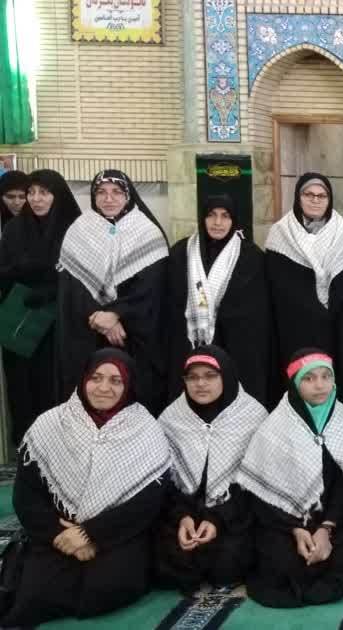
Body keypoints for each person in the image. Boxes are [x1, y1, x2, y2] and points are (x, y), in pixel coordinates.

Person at [0, 349, 171, 626]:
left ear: (129, 385)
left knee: (108, 586)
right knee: (37, 594)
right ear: (83, 380)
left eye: (116, 380)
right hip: (58, 531)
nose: (104, 388)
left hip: (117, 534)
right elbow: (26, 495)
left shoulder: (146, 429)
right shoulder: (50, 423)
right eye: (96, 378)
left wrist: (91, 533)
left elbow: (147, 504)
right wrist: (59, 534)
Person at [236, 349, 343, 607]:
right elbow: (262, 491)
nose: (319, 385)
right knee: (281, 564)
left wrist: (325, 529)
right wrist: (296, 529)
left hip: (335, 519)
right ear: (295, 383)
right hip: (284, 522)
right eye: (309, 378)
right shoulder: (274, 428)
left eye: (326, 376)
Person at [56, 170, 170, 415]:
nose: (109, 199)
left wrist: (116, 314)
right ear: (93, 196)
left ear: (128, 196)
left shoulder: (147, 232)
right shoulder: (78, 230)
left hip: (132, 335)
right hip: (89, 333)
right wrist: (99, 319)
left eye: (116, 192)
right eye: (101, 192)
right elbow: (71, 288)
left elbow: (152, 287)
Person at [153, 345, 265, 592]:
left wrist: (216, 519)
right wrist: (183, 517)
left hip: (235, 513)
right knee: (168, 562)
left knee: (226, 566)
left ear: (226, 376)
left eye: (210, 376)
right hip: (185, 510)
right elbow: (163, 480)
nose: (200, 384)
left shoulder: (252, 416)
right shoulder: (172, 418)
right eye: (192, 377)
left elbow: (256, 483)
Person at [266, 174, 343, 418]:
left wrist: (331, 310)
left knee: (341, 390)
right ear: (298, 197)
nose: (315, 200)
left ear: (329, 199)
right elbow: (278, 288)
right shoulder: (280, 235)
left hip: (338, 329)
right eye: (308, 194)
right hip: (296, 331)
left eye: (322, 196)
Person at [0, 169, 81, 444]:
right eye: (31, 192)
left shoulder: (75, 230)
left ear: (57, 196)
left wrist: (52, 290)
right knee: (22, 389)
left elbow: (84, 280)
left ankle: (59, 445)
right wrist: (19, 272)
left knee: (55, 386)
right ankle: (26, 448)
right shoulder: (14, 229)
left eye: (43, 193)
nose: (35, 199)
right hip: (21, 323)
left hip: (61, 325)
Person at [166, 194, 271, 403]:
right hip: (189, 344)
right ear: (202, 218)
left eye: (225, 216)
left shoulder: (251, 256)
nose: (217, 222)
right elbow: (172, 301)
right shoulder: (181, 252)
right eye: (211, 215)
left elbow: (256, 311)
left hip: (235, 346)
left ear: (234, 220)